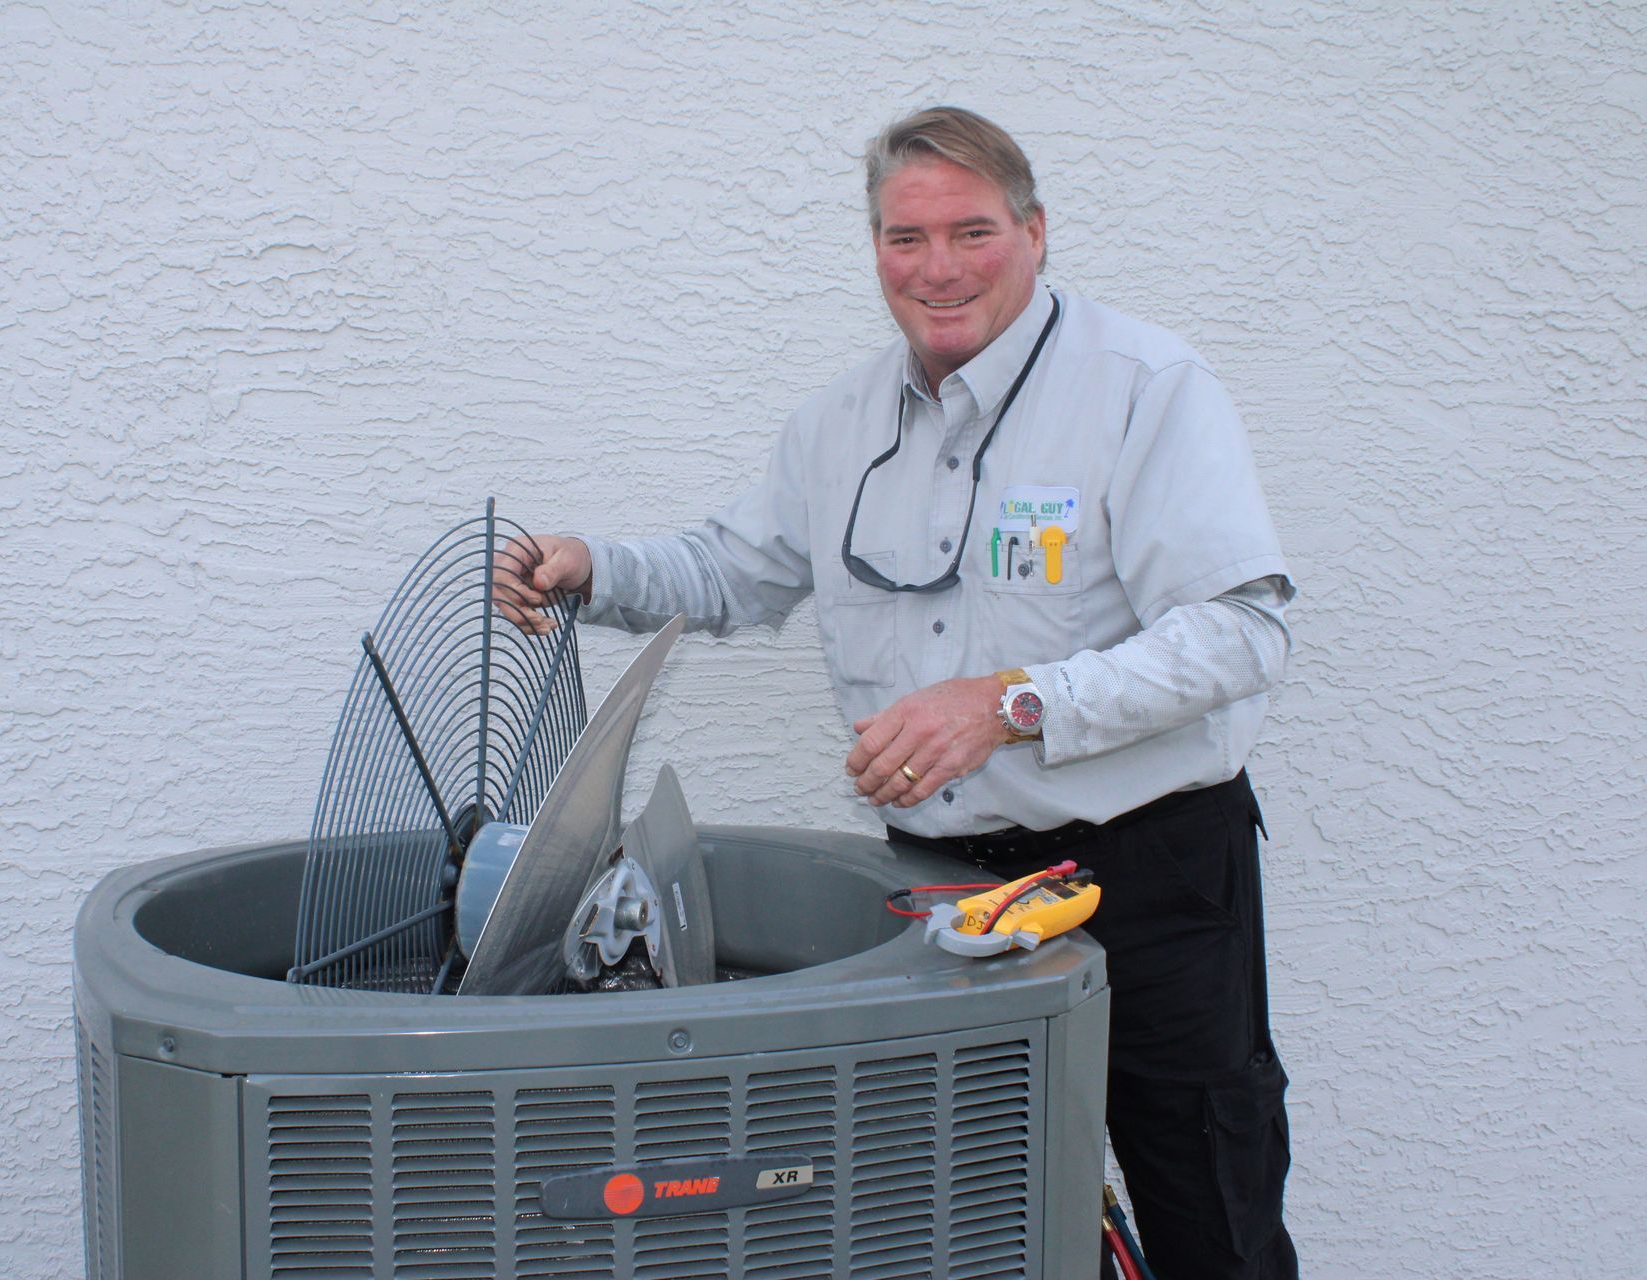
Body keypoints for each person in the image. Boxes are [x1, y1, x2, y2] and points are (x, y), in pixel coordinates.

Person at [496, 105, 1299, 1279]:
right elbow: (731, 570)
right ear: (874, 248)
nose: (938, 269)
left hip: (1151, 876)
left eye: (972, 231)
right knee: (969, 1218)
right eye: (905, 237)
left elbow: (1241, 632)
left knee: (1205, 1214)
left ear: (1035, 232)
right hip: (941, 895)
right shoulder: (837, 425)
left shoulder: (1144, 389)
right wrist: (591, 567)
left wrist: (1010, 701)